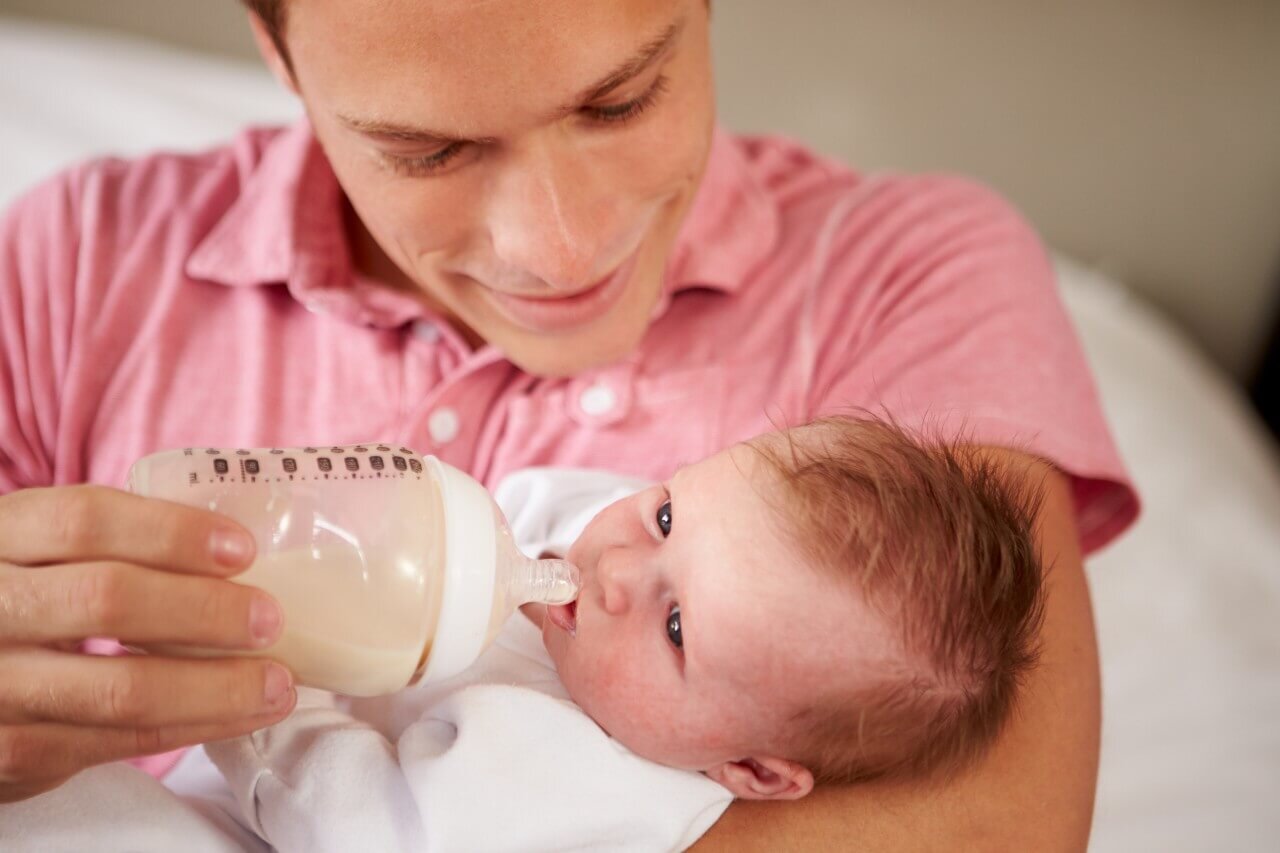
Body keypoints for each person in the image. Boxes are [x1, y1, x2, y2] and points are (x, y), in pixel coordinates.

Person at [0, 0, 1137, 847]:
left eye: (619, 98)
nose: (557, 248)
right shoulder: (74, 264)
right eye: (427, 150)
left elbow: (993, 831)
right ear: (274, 44)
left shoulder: (907, 272)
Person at [0, 416, 1047, 852]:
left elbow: (362, 827)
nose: (620, 569)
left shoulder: (590, 792)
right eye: (667, 513)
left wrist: (257, 689)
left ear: (751, 767)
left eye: (678, 625)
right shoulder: (591, 562)